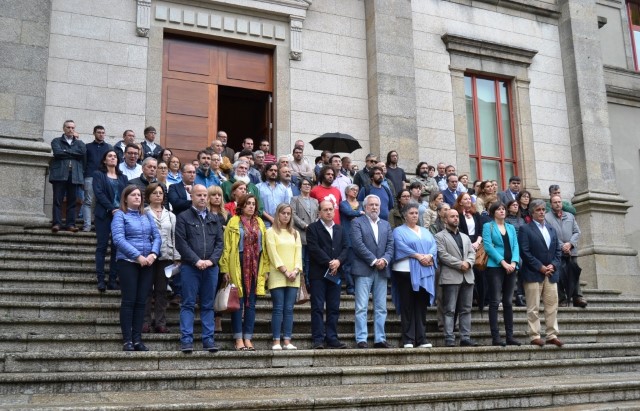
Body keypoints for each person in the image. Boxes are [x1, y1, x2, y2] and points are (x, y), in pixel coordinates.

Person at [111, 185, 161, 351]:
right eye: (133, 195)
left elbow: (157, 236)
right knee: (129, 301)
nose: (137, 198)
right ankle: (127, 340)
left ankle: (137, 339)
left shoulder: (146, 215)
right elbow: (118, 239)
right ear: (125, 198)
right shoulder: (120, 215)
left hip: (147, 262)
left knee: (141, 302)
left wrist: (153, 254)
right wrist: (137, 256)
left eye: (139, 195)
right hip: (128, 262)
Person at [174, 184, 224, 353]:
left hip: (211, 268)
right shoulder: (183, 217)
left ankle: (208, 340)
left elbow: (219, 243)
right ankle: (186, 340)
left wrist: (211, 261)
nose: (203, 198)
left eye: (205, 195)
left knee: (208, 305)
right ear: (192, 197)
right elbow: (181, 243)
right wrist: (196, 260)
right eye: (199, 195)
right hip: (190, 267)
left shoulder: (214, 218)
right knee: (187, 303)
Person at [219, 194, 270, 351]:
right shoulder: (233, 221)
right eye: (248, 203)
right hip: (237, 263)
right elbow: (227, 247)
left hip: (255, 264)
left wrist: (265, 270)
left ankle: (248, 338)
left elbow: (265, 249)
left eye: (253, 204)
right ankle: (238, 338)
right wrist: (225, 268)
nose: (251, 206)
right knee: (238, 303)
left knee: (251, 304)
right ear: (241, 205)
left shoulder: (260, 222)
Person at [518, 199, 564, 347]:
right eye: (538, 210)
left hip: (550, 274)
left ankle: (551, 334)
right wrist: (540, 267)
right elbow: (524, 252)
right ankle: (534, 335)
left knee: (552, 306)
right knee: (533, 307)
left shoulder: (551, 229)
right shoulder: (526, 229)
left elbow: (558, 251)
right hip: (533, 273)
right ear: (532, 213)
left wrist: (553, 265)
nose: (542, 212)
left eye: (543, 209)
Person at [351, 195, 394, 348]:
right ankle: (361, 338)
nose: (374, 207)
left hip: (382, 270)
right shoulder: (357, 222)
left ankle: (380, 339)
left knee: (381, 307)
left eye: (377, 205)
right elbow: (358, 244)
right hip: (364, 268)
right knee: (361, 306)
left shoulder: (386, 225)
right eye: (371, 205)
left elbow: (390, 246)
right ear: (365, 207)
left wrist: (385, 260)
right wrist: (374, 260)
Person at [393, 202, 437, 348]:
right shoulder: (398, 231)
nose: (414, 215)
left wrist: (429, 256)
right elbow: (400, 246)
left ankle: (421, 338)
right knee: (407, 305)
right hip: (405, 272)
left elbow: (433, 246)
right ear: (405, 216)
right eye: (411, 213)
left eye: (416, 213)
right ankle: (408, 339)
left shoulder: (425, 231)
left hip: (424, 272)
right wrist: (418, 256)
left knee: (421, 306)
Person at [306, 200, 349, 349]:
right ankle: (318, 339)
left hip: (335, 273)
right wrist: (330, 262)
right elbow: (313, 248)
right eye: (325, 210)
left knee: (334, 307)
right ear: (319, 212)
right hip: (318, 274)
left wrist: (338, 261)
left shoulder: (340, 229)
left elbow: (345, 248)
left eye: (331, 209)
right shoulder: (312, 228)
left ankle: (332, 337)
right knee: (317, 307)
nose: (329, 212)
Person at [435, 209, 478, 347]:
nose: (455, 218)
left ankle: (465, 337)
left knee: (466, 309)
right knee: (450, 309)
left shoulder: (465, 237)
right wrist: (460, 264)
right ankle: (449, 337)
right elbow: (442, 255)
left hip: (468, 277)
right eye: (452, 216)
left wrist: (469, 262)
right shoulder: (439, 236)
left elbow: (472, 252)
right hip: (450, 277)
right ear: (445, 220)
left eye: (456, 216)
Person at [483, 202, 521, 346]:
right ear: (493, 212)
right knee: (494, 302)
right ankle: (496, 337)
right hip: (495, 267)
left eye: (503, 209)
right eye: (498, 209)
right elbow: (487, 246)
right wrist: (503, 262)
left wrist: (514, 262)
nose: (502, 211)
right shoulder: (488, 226)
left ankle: (510, 336)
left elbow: (515, 245)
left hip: (511, 267)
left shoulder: (510, 227)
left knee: (508, 302)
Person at [266, 204, 303, 350]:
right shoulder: (271, 231)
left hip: (294, 275)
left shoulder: (295, 233)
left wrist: (295, 270)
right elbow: (272, 253)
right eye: (283, 213)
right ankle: (276, 340)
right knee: (278, 308)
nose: (286, 216)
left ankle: (287, 340)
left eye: (288, 213)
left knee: (289, 309)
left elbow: (298, 254)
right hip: (278, 274)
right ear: (277, 214)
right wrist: (285, 271)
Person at [143, 183, 179, 334]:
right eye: (154, 193)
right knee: (145, 290)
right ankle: (144, 322)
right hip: (147, 255)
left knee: (161, 291)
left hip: (166, 255)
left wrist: (177, 256)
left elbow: (174, 236)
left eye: (160, 193)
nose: (158, 195)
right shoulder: (143, 212)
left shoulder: (170, 215)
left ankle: (160, 322)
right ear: (148, 196)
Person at [93, 150, 128, 292]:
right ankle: (101, 280)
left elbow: (126, 195)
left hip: (119, 216)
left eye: (115, 156)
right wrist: (111, 208)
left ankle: (113, 280)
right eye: (110, 156)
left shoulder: (123, 177)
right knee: (102, 247)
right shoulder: (98, 175)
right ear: (104, 160)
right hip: (104, 215)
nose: (113, 158)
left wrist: (121, 210)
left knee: (117, 247)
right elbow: (99, 193)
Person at [546, 194, 586, 308]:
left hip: (571, 251)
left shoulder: (570, 216)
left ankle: (577, 297)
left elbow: (577, 232)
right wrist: (562, 246)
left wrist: (570, 244)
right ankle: (562, 298)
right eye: (555, 202)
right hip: (557, 251)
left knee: (574, 273)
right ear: (551, 204)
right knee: (558, 275)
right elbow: (550, 234)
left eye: (559, 202)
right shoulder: (547, 217)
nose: (558, 204)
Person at [50, 120, 86, 233]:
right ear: (64, 128)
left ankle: (70, 224)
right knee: (57, 200)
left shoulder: (80, 143)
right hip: (59, 174)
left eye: (72, 128)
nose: (71, 129)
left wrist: (66, 152)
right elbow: (57, 153)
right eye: (68, 127)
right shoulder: (56, 141)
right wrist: (73, 153)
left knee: (72, 201)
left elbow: (81, 153)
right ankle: (57, 223)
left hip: (74, 175)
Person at [82, 125, 112, 232]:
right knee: (88, 201)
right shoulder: (87, 147)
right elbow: (84, 163)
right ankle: (87, 226)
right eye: (99, 132)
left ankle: (97, 224)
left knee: (100, 201)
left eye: (103, 132)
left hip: (104, 177)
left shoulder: (108, 147)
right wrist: (83, 178)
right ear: (94, 133)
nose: (101, 134)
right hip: (90, 176)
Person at [290, 177, 318, 279]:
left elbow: (318, 215)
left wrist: (314, 226)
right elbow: (293, 214)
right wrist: (304, 225)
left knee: (310, 259)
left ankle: (309, 281)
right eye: (304, 184)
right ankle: (301, 281)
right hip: (300, 232)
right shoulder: (295, 199)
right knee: (300, 258)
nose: (307, 186)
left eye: (309, 184)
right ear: (300, 187)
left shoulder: (315, 201)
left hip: (313, 233)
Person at [339, 184, 364, 295]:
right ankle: (350, 287)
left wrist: (358, 214)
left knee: (359, 263)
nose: (355, 191)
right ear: (347, 192)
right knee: (348, 264)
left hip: (360, 237)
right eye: (353, 190)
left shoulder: (362, 204)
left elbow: (365, 216)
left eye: (357, 190)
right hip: (348, 237)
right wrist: (359, 213)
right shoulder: (343, 204)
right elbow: (348, 213)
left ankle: (359, 286)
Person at [257, 163, 291, 227]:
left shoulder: (283, 188)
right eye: (271, 170)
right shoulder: (258, 187)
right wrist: (270, 218)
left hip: (280, 223)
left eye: (275, 171)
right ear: (265, 172)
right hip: (263, 223)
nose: (273, 172)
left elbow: (286, 206)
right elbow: (257, 207)